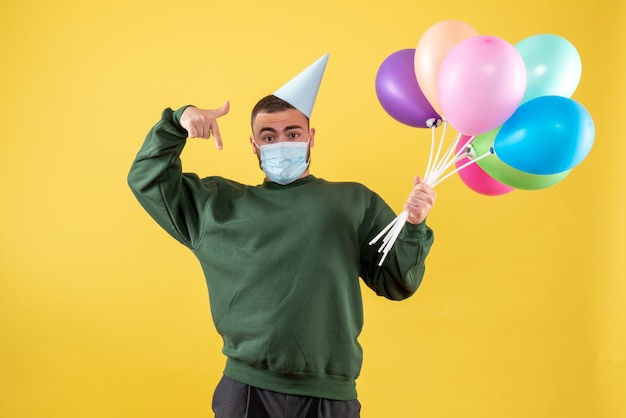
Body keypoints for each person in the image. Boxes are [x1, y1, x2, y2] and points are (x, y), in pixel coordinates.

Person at [128, 54, 436, 418]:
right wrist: (178, 122)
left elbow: (398, 282)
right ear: (254, 145)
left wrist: (414, 225)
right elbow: (147, 178)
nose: (281, 143)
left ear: (311, 137)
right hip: (246, 390)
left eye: (293, 134)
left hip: (329, 394)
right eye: (268, 136)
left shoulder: (353, 201)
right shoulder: (218, 206)